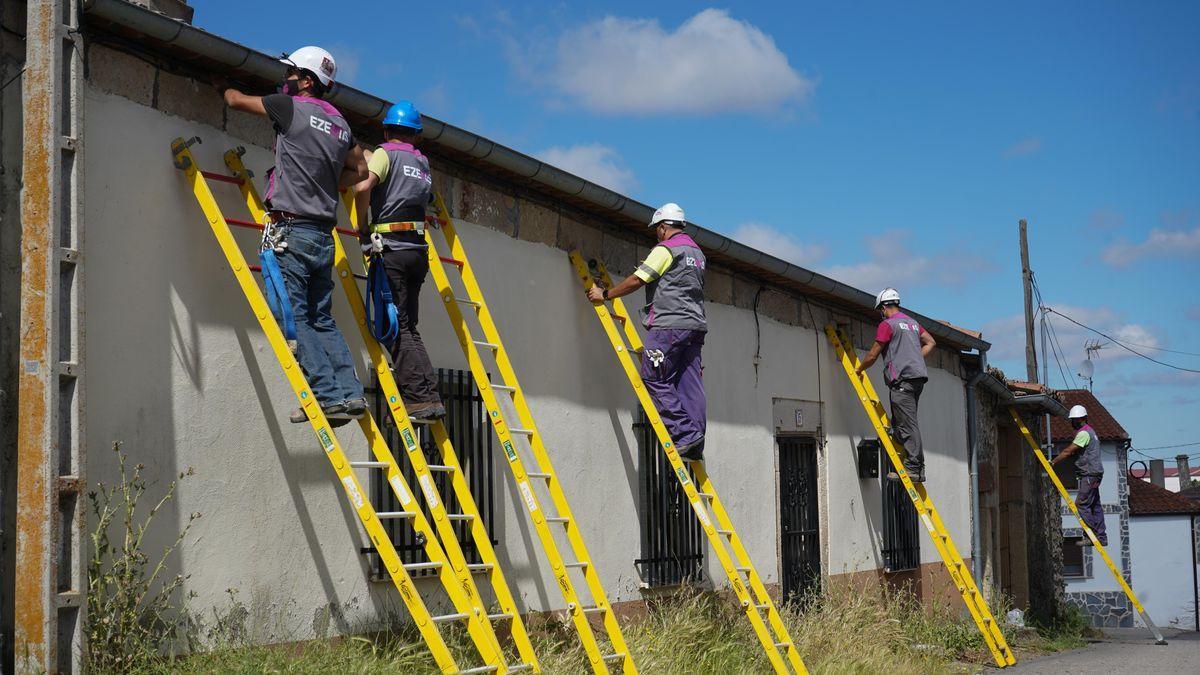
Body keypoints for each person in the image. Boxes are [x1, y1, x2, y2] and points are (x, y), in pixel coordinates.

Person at [215, 46, 369, 427]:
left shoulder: (290, 107)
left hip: (290, 231)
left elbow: (236, 102)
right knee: (321, 318)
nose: (284, 78)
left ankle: (327, 398)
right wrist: (331, 179)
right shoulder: (341, 126)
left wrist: (224, 88)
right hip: (322, 235)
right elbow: (362, 170)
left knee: (294, 316)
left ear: (306, 80)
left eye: (291, 72)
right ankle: (350, 395)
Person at [587, 203, 707, 461]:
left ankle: (684, 434)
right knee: (690, 385)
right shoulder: (697, 254)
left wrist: (605, 294)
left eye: (657, 230)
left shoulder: (665, 250)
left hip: (668, 327)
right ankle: (695, 440)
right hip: (695, 327)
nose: (657, 234)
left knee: (653, 376)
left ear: (663, 227)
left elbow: (637, 279)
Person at [352, 101, 445, 420]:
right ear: (416, 136)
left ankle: (419, 400)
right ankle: (429, 397)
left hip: (390, 248)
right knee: (408, 326)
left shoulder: (385, 152)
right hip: (417, 251)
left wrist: (361, 228)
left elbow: (364, 185)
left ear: (387, 129)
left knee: (394, 326)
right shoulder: (422, 162)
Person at [855, 288, 936, 482]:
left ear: (884, 307)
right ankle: (900, 439)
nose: (880, 314)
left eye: (879, 310)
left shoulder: (888, 324)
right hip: (917, 379)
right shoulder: (913, 324)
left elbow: (874, 354)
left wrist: (859, 369)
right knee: (902, 420)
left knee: (908, 424)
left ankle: (914, 468)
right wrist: (916, 357)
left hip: (902, 381)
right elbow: (931, 342)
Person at [1052, 405, 1107, 547]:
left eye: (1074, 420)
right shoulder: (1091, 432)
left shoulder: (1083, 434)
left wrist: (1054, 461)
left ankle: (1092, 535)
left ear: (1082, 419)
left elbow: (1069, 451)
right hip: (1095, 473)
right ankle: (1101, 537)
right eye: (1072, 420)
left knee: (1081, 504)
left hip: (1089, 474)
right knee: (1095, 505)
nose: (1072, 423)